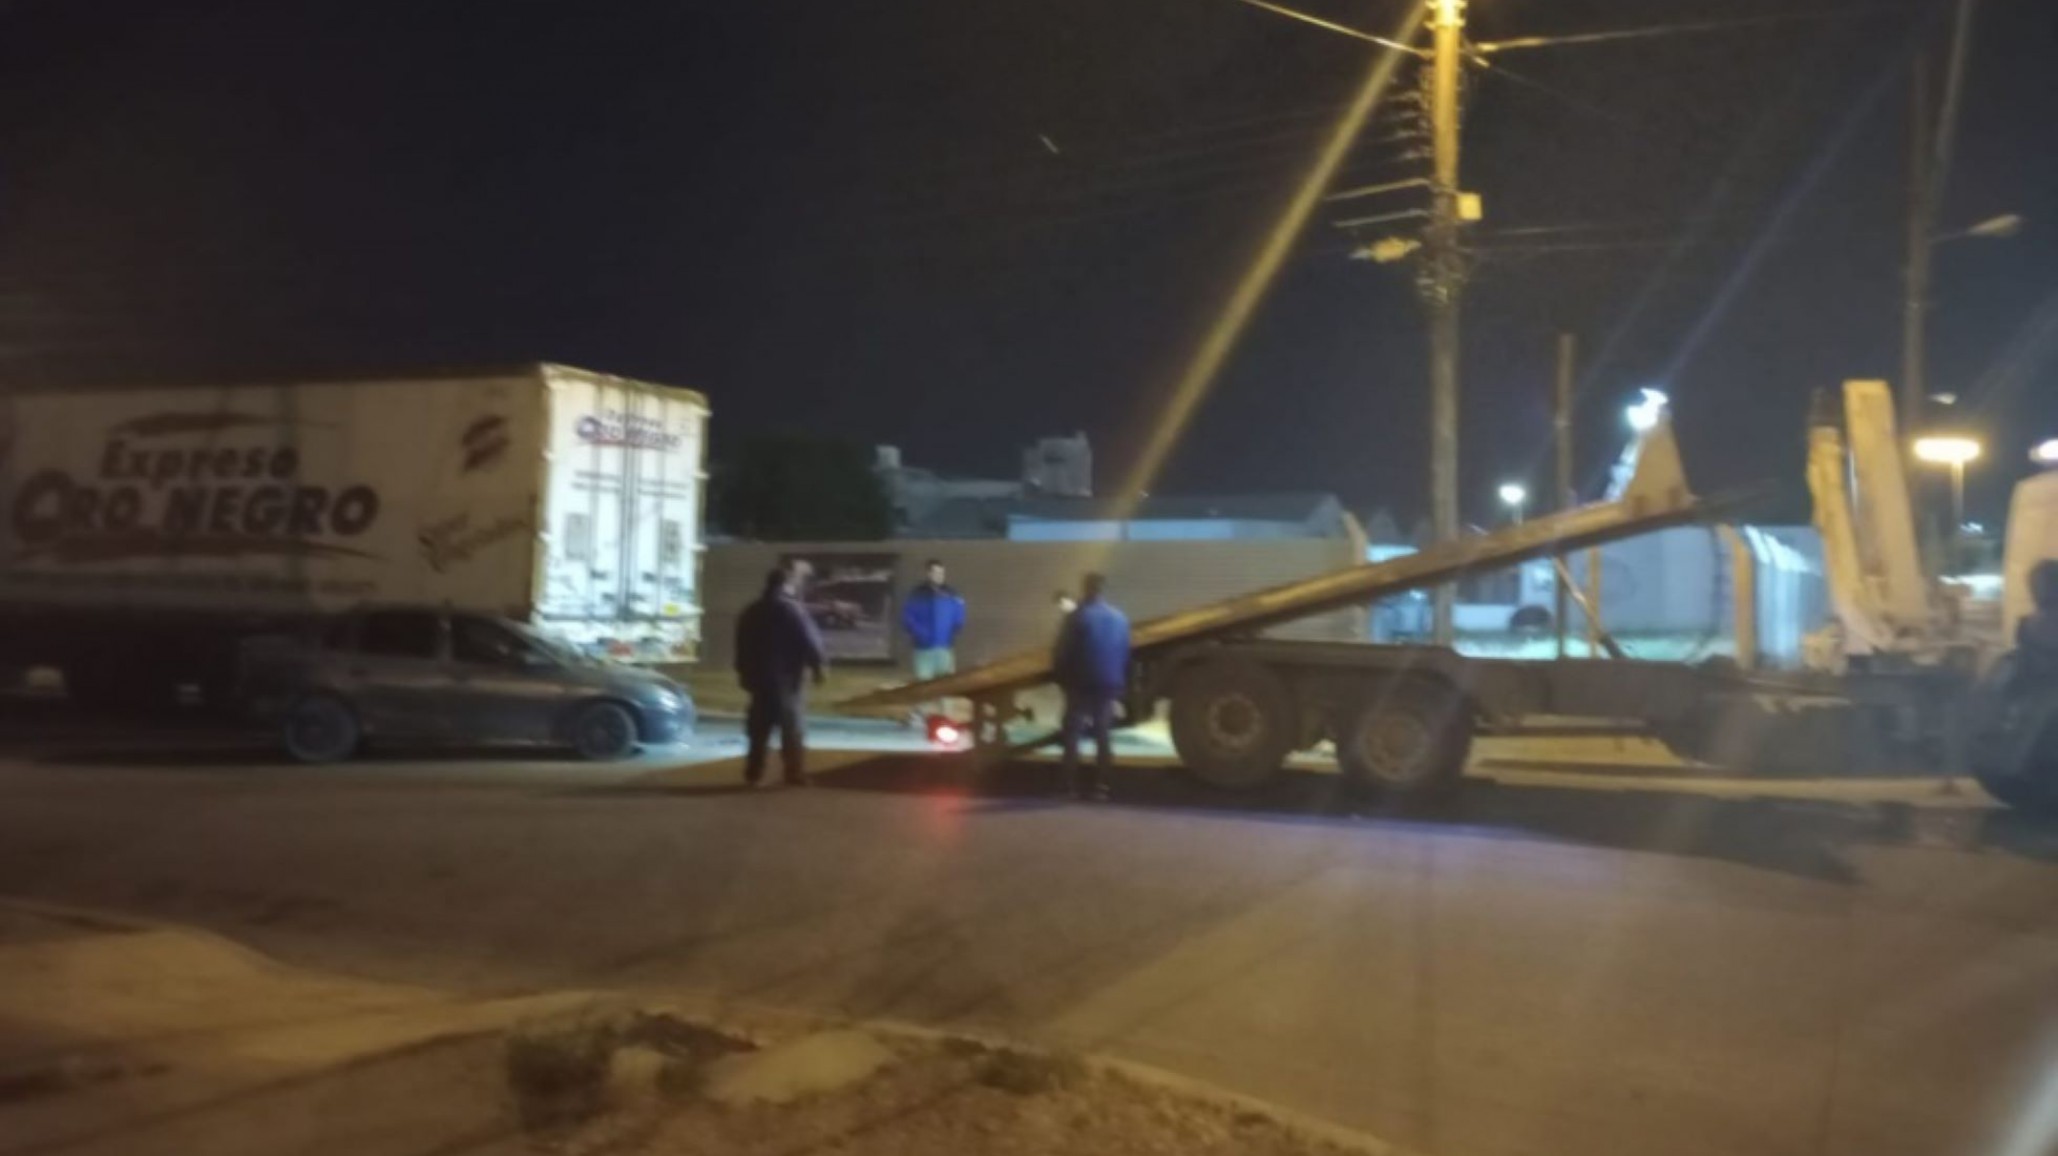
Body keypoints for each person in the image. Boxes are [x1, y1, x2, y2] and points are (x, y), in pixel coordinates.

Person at [734, 564, 827, 787]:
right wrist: (819, 668)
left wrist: (744, 673)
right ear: (786, 585)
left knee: (759, 730)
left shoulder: (751, 610)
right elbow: (809, 641)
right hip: (788, 681)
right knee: (791, 729)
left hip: (759, 681)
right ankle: (793, 773)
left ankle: (753, 773)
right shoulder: (793, 610)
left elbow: (741, 645)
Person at [1051, 572, 1130, 801]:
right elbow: (1124, 653)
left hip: (1081, 683)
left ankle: (1067, 786)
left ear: (1085, 588)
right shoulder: (1120, 618)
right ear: (1103, 590)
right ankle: (1103, 786)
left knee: (1073, 733)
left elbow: (1063, 653)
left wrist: (1061, 680)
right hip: (1109, 683)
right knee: (1103, 735)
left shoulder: (1077, 617)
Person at [901, 559, 967, 714]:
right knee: (924, 684)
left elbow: (959, 616)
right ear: (928, 573)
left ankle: (946, 716)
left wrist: (952, 633)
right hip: (924, 649)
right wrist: (921, 635)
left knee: (946, 684)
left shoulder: (952, 594)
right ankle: (920, 716)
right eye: (935, 572)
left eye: (941, 572)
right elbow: (908, 618)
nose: (939, 575)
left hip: (944, 647)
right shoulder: (917, 594)